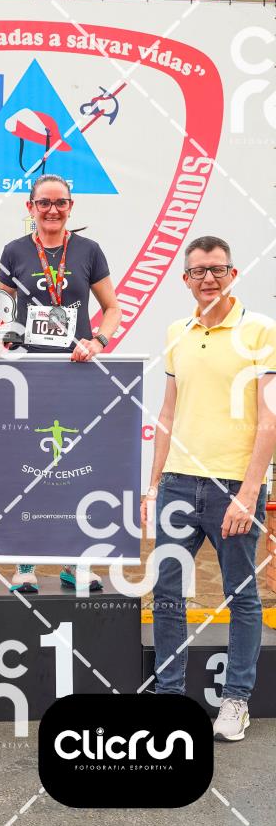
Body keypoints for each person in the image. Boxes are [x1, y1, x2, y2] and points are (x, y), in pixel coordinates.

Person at [142, 235, 276, 742]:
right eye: (198, 271)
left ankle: (235, 701)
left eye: (218, 269)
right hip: (178, 483)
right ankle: (170, 695)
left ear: (233, 274)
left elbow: (269, 419)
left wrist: (249, 492)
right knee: (167, 594)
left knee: (241, 595)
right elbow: (168, 412)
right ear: (185, 279)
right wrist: (153, 484)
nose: (208, 279)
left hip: (232, 486)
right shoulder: (177, 332)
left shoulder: (261, 330)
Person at [0, 174, 122, 594]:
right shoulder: (14, 251)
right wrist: (0, 339)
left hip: (76, 375)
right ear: (30, 207)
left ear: (71, 207)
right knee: (27, 468)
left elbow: (112, 309)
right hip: (29, 378)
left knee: (77, 469)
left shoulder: (89, 250)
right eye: (44, 203)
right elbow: (0, 310)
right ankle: (25, 563)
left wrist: (98, 341)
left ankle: (76, 562)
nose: (52, 210)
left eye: (60, 203)